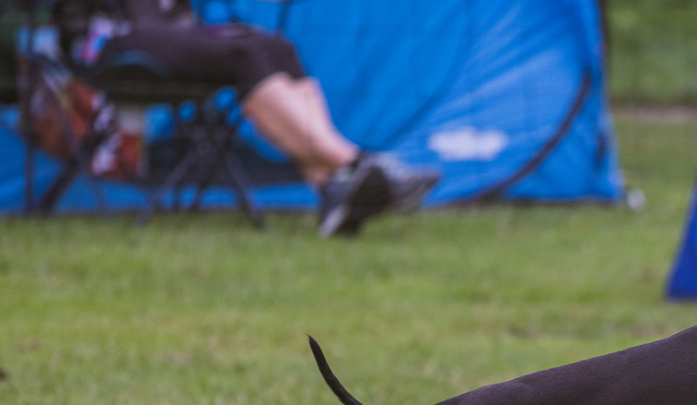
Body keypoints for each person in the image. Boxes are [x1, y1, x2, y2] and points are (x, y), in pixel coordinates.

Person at [50, 0, 440, 235]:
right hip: (111, 43)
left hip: (170, 37)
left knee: (275, 47)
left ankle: (331, 185)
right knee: (245, 55)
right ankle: (354, 164)